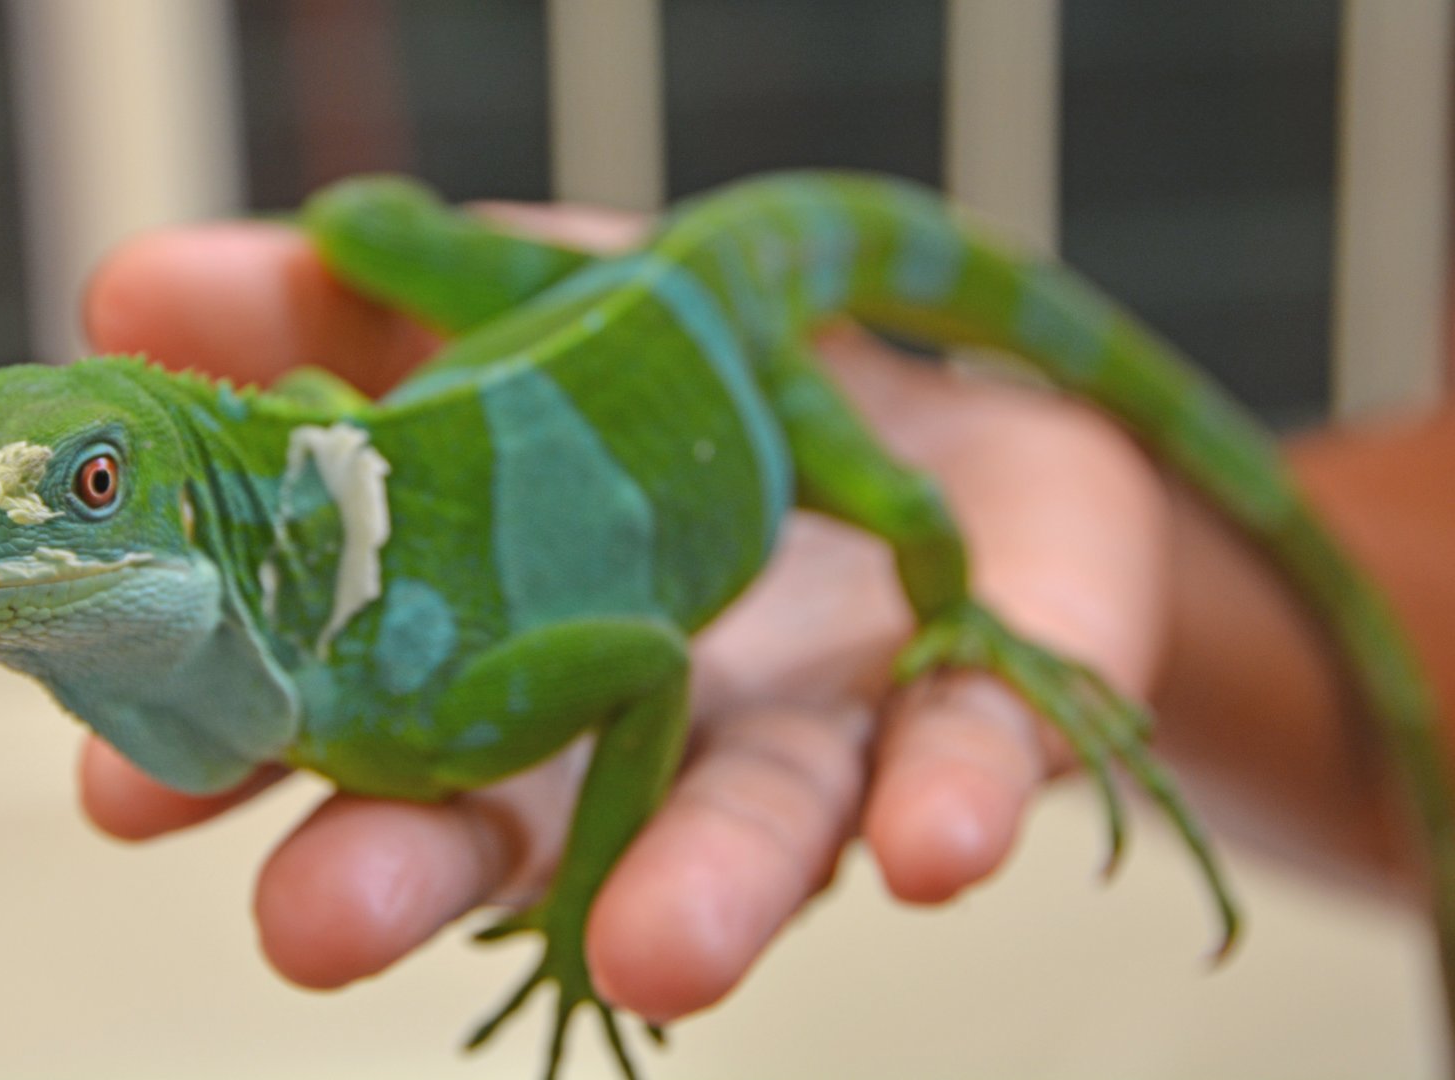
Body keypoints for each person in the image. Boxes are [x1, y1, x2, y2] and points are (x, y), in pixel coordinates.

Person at [76, 200, 1455, 1023]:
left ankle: (967, 619)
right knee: (370, 236)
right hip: (626, 302)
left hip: (710, 319)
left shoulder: (424, 692)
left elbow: (642, 663)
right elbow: (322, 416)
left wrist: (580, 914)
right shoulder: (323, 578)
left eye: (85, 490)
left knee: (912, 516)